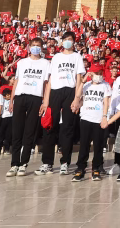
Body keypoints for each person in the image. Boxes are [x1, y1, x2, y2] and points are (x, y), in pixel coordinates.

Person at [41, 31, 84, 175]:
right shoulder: (56, 57)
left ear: (74, 42)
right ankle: (47, 163)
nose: (67, 41)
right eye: (65, 39)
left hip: (70, 92)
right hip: (55, 92)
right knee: (49, 126)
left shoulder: (77, 56)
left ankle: (65, 162)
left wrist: (77, 98)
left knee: (67, 128)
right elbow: (50, 79)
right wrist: (46, 100)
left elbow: (78, 79)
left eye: (70, 39)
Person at [7, 38, 49, 177]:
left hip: (36, 97)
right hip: (20, 96)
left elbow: (46, 83)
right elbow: (16, 81)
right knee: (17, 131)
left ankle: (23, 164)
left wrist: (44, 101)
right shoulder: (22, 62)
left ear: (42, 48)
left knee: (29, 132)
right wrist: (12, 100)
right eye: (33, 45)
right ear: (29, 47)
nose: (35, 48)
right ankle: (14, 164)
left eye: (38, 46)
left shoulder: (45, 63)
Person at [73, 65, 110, 182]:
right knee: (84, 145)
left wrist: (104, 117)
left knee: (98, 145)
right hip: (85, 118)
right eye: (94, 73)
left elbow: (106, 102)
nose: (97, 76)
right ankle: (80, 168)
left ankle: (96, 168)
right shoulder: (86, 85)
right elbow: (78, 95)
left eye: (99, 73)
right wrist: (84, 80)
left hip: (98, 119)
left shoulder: (105, 85)